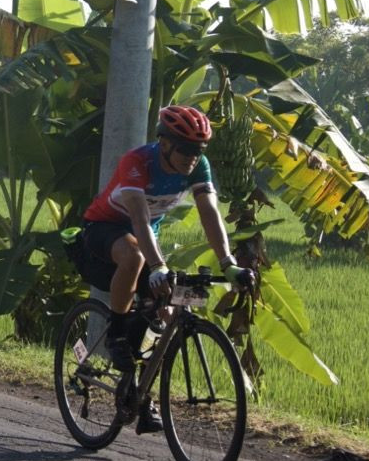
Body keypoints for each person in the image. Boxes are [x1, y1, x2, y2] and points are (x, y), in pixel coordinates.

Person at [80, 105, 256, 381]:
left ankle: (137, 388)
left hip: (144, 236)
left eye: (199, 150)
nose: (192, 157)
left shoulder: (198, 167)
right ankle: (115, 334)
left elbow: (209, 213)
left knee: (164, 314)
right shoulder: (137, 162)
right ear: (164, 143)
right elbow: (139, 219)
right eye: (185, 149)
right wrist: (158, 265)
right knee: (135, 256)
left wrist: (228, 263)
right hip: (105, 226)